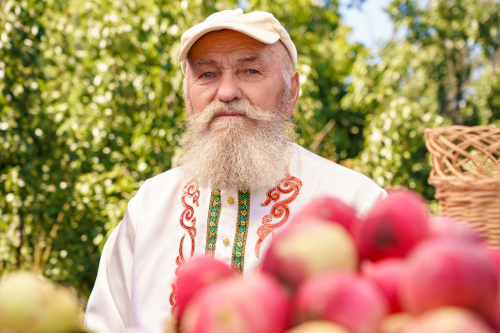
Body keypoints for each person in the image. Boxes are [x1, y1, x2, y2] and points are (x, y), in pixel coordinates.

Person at [84, 8, 386, 333]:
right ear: (188, 96)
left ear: (292, 90)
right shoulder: (148, 207)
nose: (227, 92)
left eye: (251, 71)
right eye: (207, 74)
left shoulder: (357, 203)